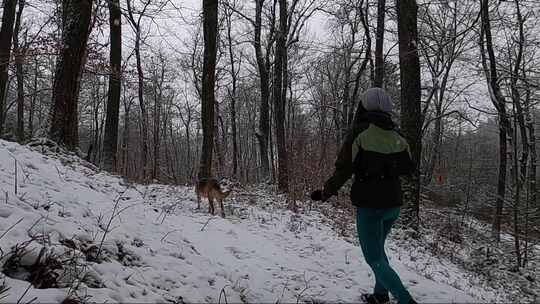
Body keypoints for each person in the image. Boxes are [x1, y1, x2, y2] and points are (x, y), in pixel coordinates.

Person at [311, 87, 418, 304]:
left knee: (374, 258)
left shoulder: (360, 133)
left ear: (364, 106)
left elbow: (343, 168)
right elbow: (408, 169)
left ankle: (406, 301)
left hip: (370, 206)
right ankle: (380, 295)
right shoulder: (398, 135)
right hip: (393, 205)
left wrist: (325, 193)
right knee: (379, 251)